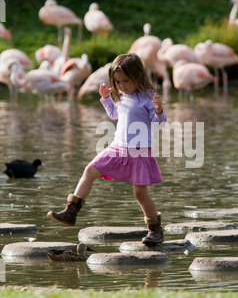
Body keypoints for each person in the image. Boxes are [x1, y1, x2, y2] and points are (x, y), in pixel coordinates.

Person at [47, 53, 167, 244]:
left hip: (138, 151)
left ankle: (155, 230)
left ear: (138, 76)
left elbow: (158, 123)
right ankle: (71, 212)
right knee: (89, 170)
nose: (121, 86)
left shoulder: (147, 97)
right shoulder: (121, 96)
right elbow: (114, 115)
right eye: (118, 82)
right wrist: (106, 99)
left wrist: (159, 111)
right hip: (117, 147)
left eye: (126, 81)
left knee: (140, 194)